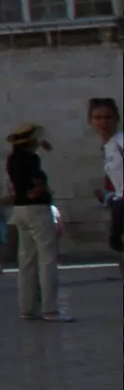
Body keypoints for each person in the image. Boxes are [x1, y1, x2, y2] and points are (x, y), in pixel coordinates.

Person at [5, 123, 69, 322]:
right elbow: (42, 181)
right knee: (47, 258)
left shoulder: (11, 160)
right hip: (37, 210)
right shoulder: (32, 159)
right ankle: (50, 309)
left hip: (20, 210)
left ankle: (27, 308)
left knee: (26, 260)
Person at [89, 97, 124, 277]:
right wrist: (108, 197)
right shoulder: (107, 147)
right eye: (98, 117)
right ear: (91, 121)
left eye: (108, 117)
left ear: (117, 119)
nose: (103, 122)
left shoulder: (120, 142)